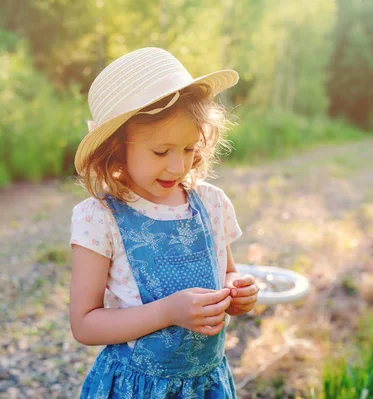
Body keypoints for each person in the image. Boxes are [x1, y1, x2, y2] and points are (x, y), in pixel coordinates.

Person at [69, 47, 259, 398]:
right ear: (116, 149)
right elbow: (84, 323)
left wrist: (237, 289)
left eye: (188, 148)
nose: (178, 166)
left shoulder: (212, 204)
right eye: (161, 152)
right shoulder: (100, 218)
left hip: (206, 382)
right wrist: (169, 311)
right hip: (137, 387)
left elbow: (228, 270)